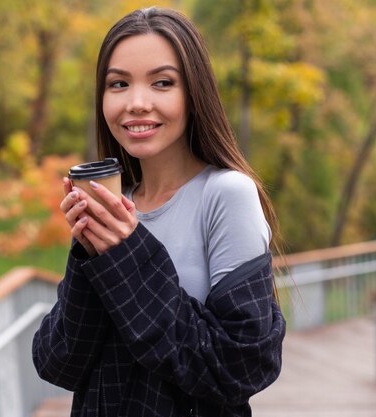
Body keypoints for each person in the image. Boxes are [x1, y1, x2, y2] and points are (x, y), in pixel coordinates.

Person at [32, 6, 286, 417]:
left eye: (162, 83)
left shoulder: (226, 194)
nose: (136, 103)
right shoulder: (117, 208)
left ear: (194, 93)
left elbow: (243, 365)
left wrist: (126, 253)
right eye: (118, 84)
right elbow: (58, 361)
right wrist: (89, 250)